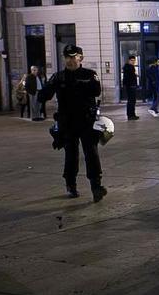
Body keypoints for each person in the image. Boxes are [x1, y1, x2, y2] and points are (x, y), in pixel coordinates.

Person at [38, 44, 108, 202]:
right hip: (67, 122)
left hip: (86, 121)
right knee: (71, 155)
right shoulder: (58, 77)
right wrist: (43, 92)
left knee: (91, 153)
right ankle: (71, 185)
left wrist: (79, 84)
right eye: (67, 57)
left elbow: (96, 91)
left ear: (80, 58)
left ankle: (96, 186)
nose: (69, 60)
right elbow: (45, 95)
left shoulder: (89, 74)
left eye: (73, 57)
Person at [122, 56, 139, 120]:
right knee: (131, 101)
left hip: (132, 86)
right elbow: (127, 78)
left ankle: (132, 114)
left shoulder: (131, 67)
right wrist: (130, 85)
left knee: (132, 101)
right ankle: (130, 115)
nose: (133, 61)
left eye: (134, 60)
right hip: (130, 86)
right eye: (132, 60)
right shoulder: (128, 67)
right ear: (129, 60)